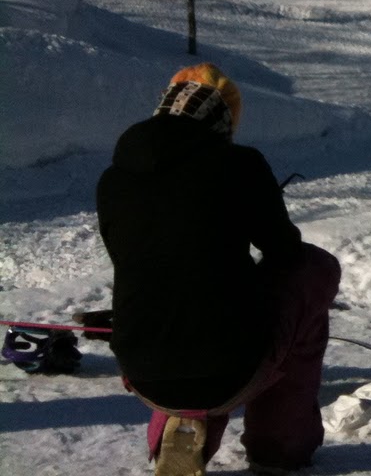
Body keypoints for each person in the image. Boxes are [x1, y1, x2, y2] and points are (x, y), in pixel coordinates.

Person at [96, 64, 341, 476]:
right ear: (223, 119)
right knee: (315, 271)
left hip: (142, 372)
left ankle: (178, 427)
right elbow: (285, 252)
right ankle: (277, 448)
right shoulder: (239, 165)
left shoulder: (112, 180)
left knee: (178, 300)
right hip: (231, 368)